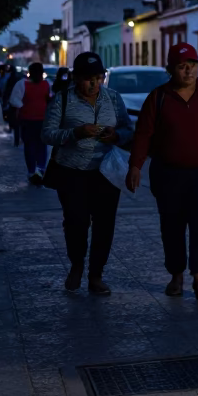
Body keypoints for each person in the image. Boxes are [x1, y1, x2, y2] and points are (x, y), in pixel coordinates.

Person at [126, 43, 198, 301]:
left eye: (193, 64)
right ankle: (176, 276)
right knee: (172, 226)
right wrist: (135, 166)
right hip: (169, 174)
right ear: (171, 70)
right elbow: (143, 134)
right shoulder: (158, 98)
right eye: (182, 66)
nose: (188, 70)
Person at [42, 52, 133, 295]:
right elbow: (47, 134)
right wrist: (76, 133)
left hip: (105, 172)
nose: (94, 84)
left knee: (105, 225)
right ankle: (76, 265)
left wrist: (116, 136)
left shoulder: (113, 98)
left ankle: (96, 275)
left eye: (98, 77)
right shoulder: (62, 100)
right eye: (88, 79)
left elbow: (127, 130)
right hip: (71, 172)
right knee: (76, 222)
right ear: (75, 78)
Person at [10, 62, 52, 185]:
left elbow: (50, 99)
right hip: (27, 120)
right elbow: (14, 101)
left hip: (42, 120)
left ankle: (39, 169)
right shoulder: (22, 84)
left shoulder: (47, 84)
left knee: (40, 145)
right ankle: (32, 171)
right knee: (31, 146)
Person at [2, 64, 24, 146]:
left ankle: (17, 140)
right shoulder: (19, 79)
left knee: (16, 122)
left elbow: (7, 91)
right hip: (18, 103)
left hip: (14, 102)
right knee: (19, 123)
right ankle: (19, 139)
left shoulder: (11, 79)